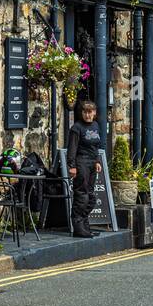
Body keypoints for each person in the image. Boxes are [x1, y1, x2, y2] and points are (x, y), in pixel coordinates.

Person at [67, 100, 103, 238]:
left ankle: (85, 225)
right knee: (81, 195)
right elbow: (72, 148)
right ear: (81, 113)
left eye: (90, 112)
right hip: (81, 162)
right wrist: (72, 166)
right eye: (85, 112)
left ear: (94, 113)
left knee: (91, 196)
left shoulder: (95, 125)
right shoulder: (76, 128)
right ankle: (78, 228)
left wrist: (97, 161)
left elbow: (96, 146)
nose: (88, 115)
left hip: (92, 163)